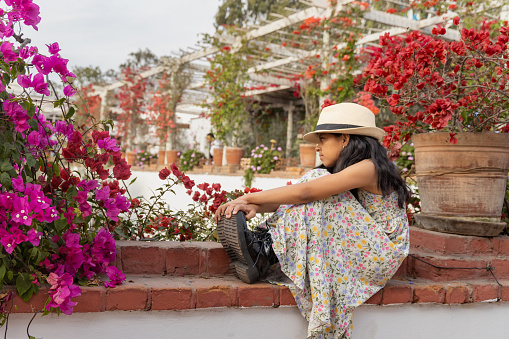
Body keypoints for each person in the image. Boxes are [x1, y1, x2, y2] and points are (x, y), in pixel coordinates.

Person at [215, 103, 410, 339]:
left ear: (345, 139)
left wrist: (247, 197)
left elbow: (306, 193)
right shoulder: (346, 172)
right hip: (362, 247)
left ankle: (265, 250)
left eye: (324, 139)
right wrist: (253, 206)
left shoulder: (370, 168)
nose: (317, 147)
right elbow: (300, 195)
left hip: (379, 255)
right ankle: (264, 247)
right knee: (317, 182)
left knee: (316, 182)